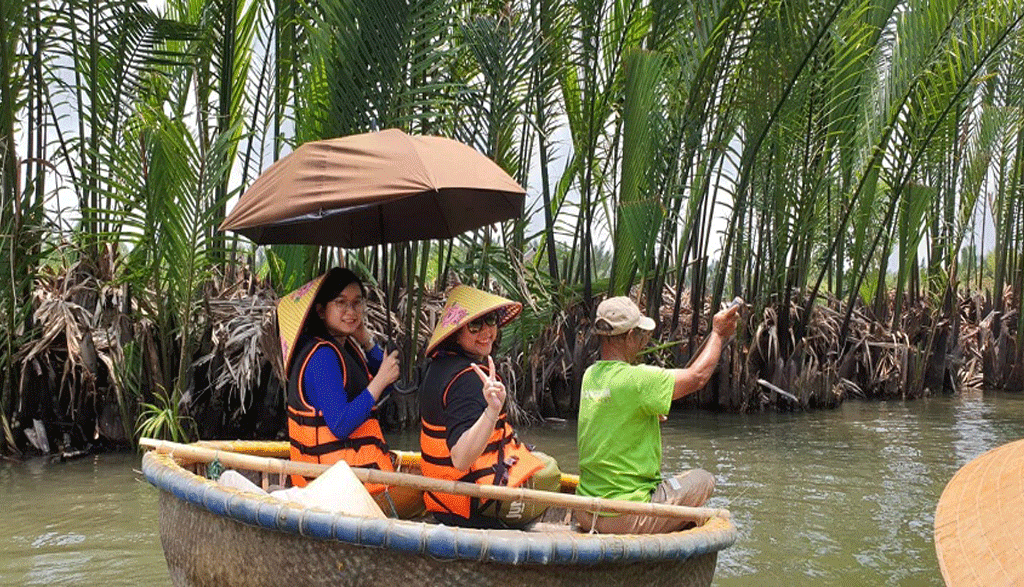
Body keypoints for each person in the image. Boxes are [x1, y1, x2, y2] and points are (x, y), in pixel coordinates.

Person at [576, 296, 740, 534]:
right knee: (703, 479)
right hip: (625, 516)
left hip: (585, 511)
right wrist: (717, 333)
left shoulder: (590, 375)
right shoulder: (639, 380)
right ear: (631, 336)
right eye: (639, 335)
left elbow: (613, 414)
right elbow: (697, 377)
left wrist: (646, 415)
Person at [277, 267, 419, 517]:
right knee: (431, 493)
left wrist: (366, 340)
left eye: (357, 303)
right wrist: (378, 382)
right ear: (321, 310)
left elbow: (390, 375)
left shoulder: (345, 345)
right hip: (335, 493)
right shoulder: (322, 357)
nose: (351, 312)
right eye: (340, 303)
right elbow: (340, 425)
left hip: (352, 485)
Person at [418, 285, 561, 528]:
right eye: (475, 325)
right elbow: (461, 458)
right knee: (551, 471)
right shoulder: (468, 379)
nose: (486, 332)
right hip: (472, 506)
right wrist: (492, 410)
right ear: (456, 333)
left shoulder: (437, 367)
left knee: (535, 458)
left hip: (441, 501)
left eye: (491, 321)